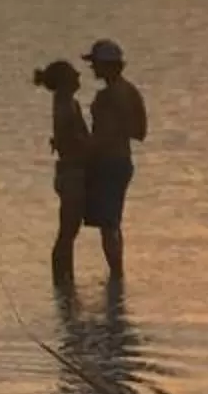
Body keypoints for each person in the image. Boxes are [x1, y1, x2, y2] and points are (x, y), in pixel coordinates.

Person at [81, 39, 147, 277]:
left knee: (108, 226)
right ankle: (117, 278)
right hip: (123, 162)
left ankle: (116, 275)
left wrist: (80, 148)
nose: (93, 69)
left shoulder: (108, 96)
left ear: (108, 65)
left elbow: (102, 137)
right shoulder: (130, 92)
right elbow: (140, 132)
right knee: (113, 223)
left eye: (96, 64)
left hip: (107, 164)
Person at [34, 59, 90, 277]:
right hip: (71, 172)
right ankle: (62, 278)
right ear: (66, 81)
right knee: (67, 231)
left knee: (70, 230)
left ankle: (65, 281)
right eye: (74, 74)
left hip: (72, 171)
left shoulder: (67, 102)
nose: (79, 76)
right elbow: (72, 138)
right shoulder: (65, 104)